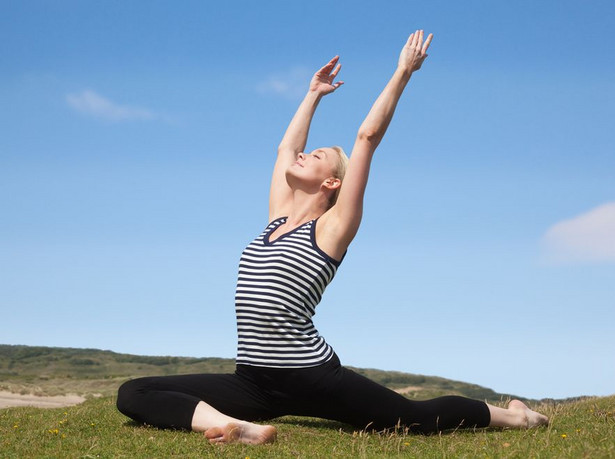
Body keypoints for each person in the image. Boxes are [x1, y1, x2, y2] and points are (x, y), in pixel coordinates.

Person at [116, 30, 548, 445]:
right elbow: (285, 151)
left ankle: (515, 415)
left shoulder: (332, 229)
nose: (304, 155)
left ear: (332, 185)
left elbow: (367, 137)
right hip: (253, 380)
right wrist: (313, 95)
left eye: (317, 156)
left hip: (313, 376)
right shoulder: (275, 220)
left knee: (414, 418)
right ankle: (237, 426)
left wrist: (403, 72)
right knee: (133, 392)